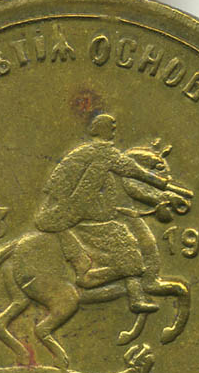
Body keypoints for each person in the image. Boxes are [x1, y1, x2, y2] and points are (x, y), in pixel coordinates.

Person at [34, 113, 170, 314]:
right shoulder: (103, 153)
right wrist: (161, 182)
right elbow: (132, 170)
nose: (114, 130)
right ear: (101, 130)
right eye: (111, 127)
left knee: (121, 237)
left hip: (60, 212)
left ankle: (133, 293)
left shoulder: (81, 153)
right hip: (71, 217)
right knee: (126, 243)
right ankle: (117, 289)